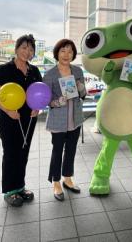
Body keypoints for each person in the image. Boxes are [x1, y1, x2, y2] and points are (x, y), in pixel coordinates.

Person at [0, 34, 42, 207]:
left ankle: (20, 186)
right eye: (24, 48)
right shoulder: (4, 69)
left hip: (29, 118)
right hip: (9, 118)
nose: (27, 52)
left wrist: (37, 108)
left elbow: (39, 94)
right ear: (17, 48)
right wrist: (9, 111)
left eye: (31, 49)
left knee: (23, 152)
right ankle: (9, 191)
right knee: (11, 152)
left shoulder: (34, 71)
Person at [43, 39, 86, 201]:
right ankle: (56, 182)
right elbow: (46, 101)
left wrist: (81, 88)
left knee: (71, 149)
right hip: (58, 120)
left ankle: (67, 178)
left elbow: (82, 95)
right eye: (63, 51)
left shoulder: (77, 71)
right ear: (57, 53)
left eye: (70, 51)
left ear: (73, 54)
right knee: (57, 151)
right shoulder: (50, 75)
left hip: (75, 118)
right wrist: (58, 101)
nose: (66, 54)